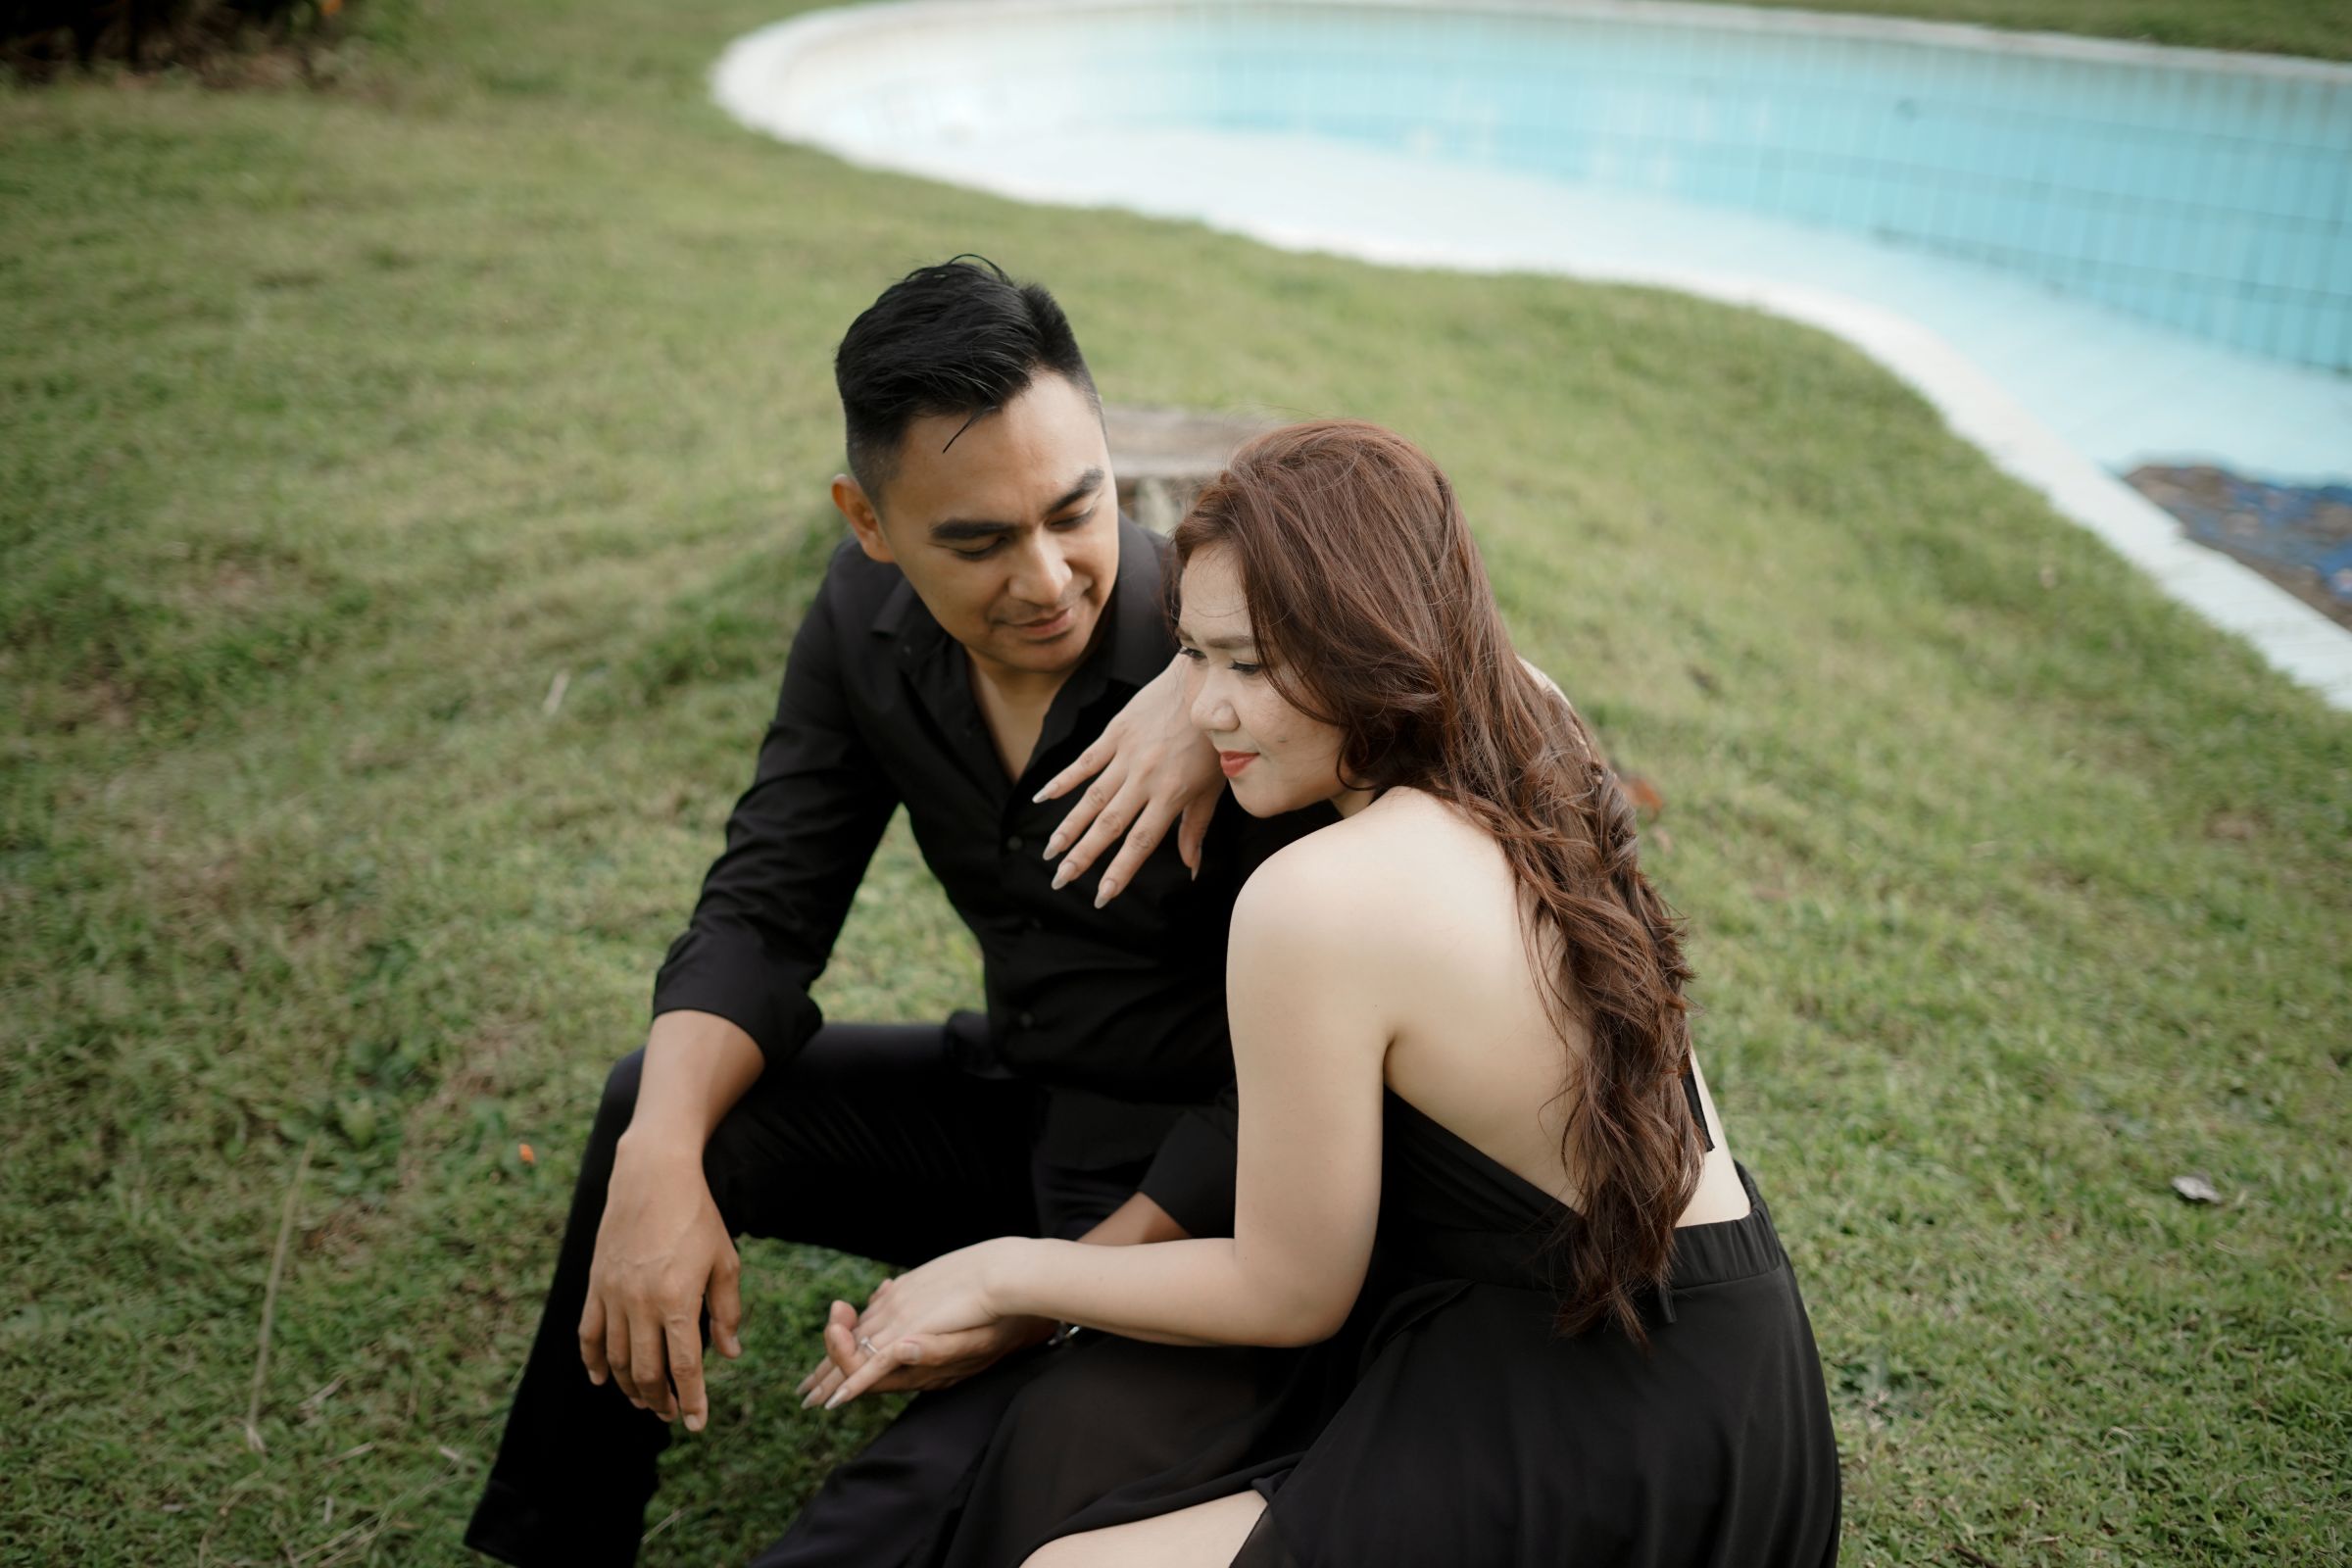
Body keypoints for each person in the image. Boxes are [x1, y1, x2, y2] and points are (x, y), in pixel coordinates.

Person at [809, 419, 1844, 1566]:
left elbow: (1287, 1292)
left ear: (1372, 642)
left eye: (1249, 665)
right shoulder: (1533, 727)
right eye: (1189, 655)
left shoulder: (1318, 900)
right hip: (1744, 1389)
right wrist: (1221, 675)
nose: (1204, 710)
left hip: (1594, 1428)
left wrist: (1005, 1269)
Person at [465, 259, 1327, 1568]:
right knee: (666, 1102)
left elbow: (1291, 1084)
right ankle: (556, 1538)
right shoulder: (862, 617)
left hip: (1209, 1203)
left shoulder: (1239, 675)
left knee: (884, 1520)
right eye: (977, 543)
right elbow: (767, 907)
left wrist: (1042, 1296)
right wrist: (658, 1160)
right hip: (1021, 1104)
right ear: (868, 521)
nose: (1047, 577)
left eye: (1076, 510)